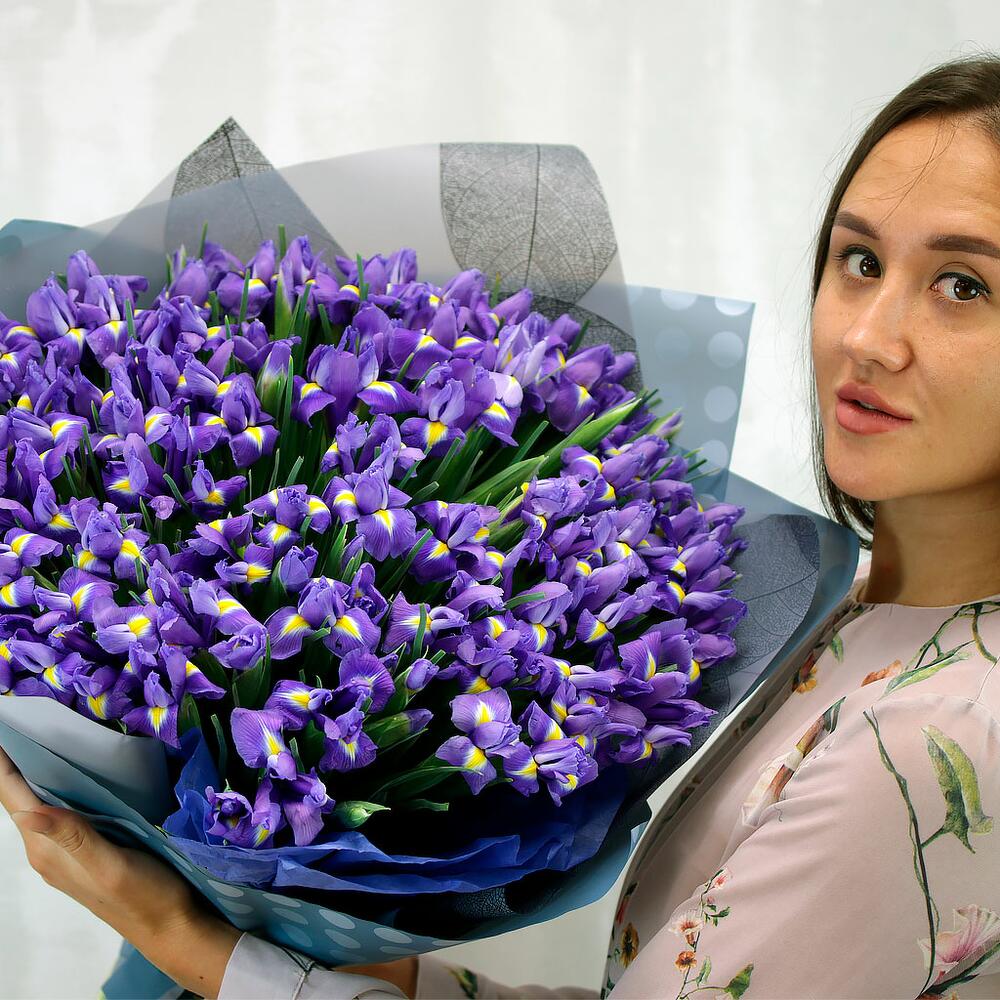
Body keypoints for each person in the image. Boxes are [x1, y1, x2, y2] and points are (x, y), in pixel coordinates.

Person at [6, 49, 1000, 999]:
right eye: (859, 259)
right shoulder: (871, 627)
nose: (868, 336)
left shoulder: (936, 738)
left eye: (964, 285)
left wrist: (182, 938)